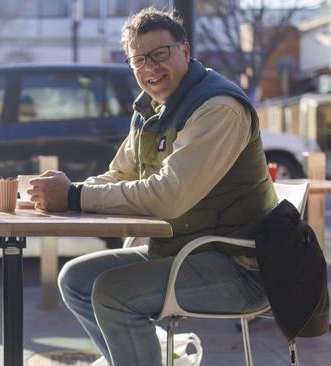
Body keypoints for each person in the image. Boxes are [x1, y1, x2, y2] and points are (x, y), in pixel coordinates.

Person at [28, 8, 277, 366]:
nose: (151, 67)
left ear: (185, 51)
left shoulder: (218, 108)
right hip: (185, 250)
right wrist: (58, 192)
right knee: (76, 279)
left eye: (161, 54)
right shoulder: (150, 110)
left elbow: (169, 197)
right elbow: (121, 175)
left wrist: (72, 195)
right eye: (139, 59)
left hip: (240, 266)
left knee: (114, 294)